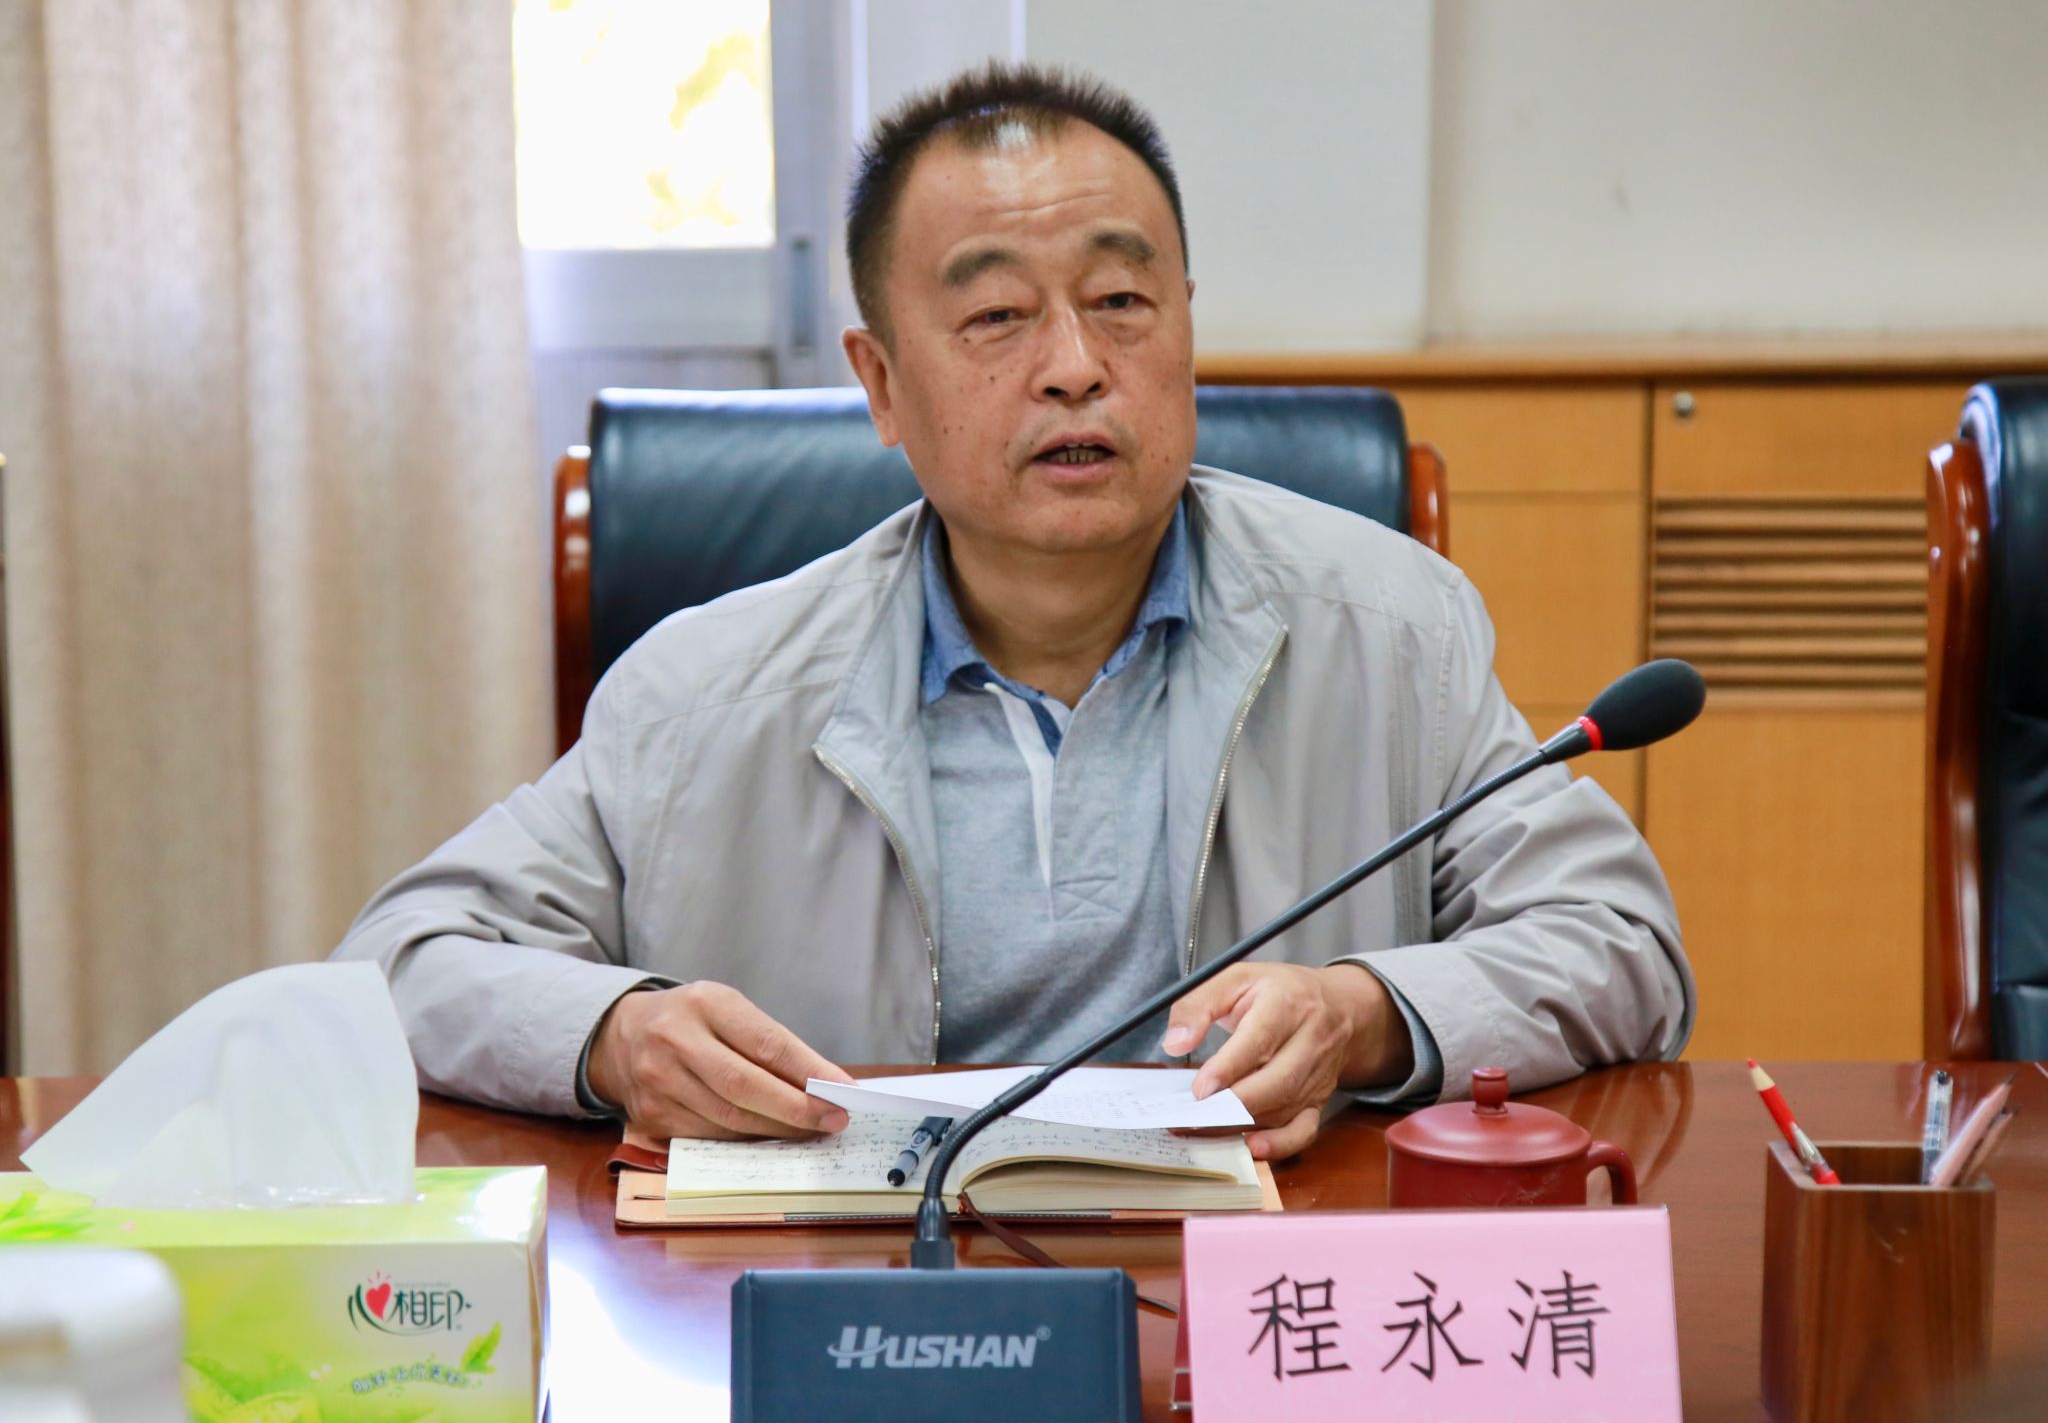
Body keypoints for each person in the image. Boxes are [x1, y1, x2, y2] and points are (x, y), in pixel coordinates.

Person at [333, 63, 1693, 1161]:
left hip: (1238, 1291)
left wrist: (1367, 1013)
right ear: (880, 383)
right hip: (855, 1296)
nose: (1076, 367)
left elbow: (1621, 944)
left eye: (1122, 302)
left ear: (1187, 330)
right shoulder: (703, 695)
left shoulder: (1390, 633)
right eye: (995, 316)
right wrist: (617, 1036)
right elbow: (401, 961)